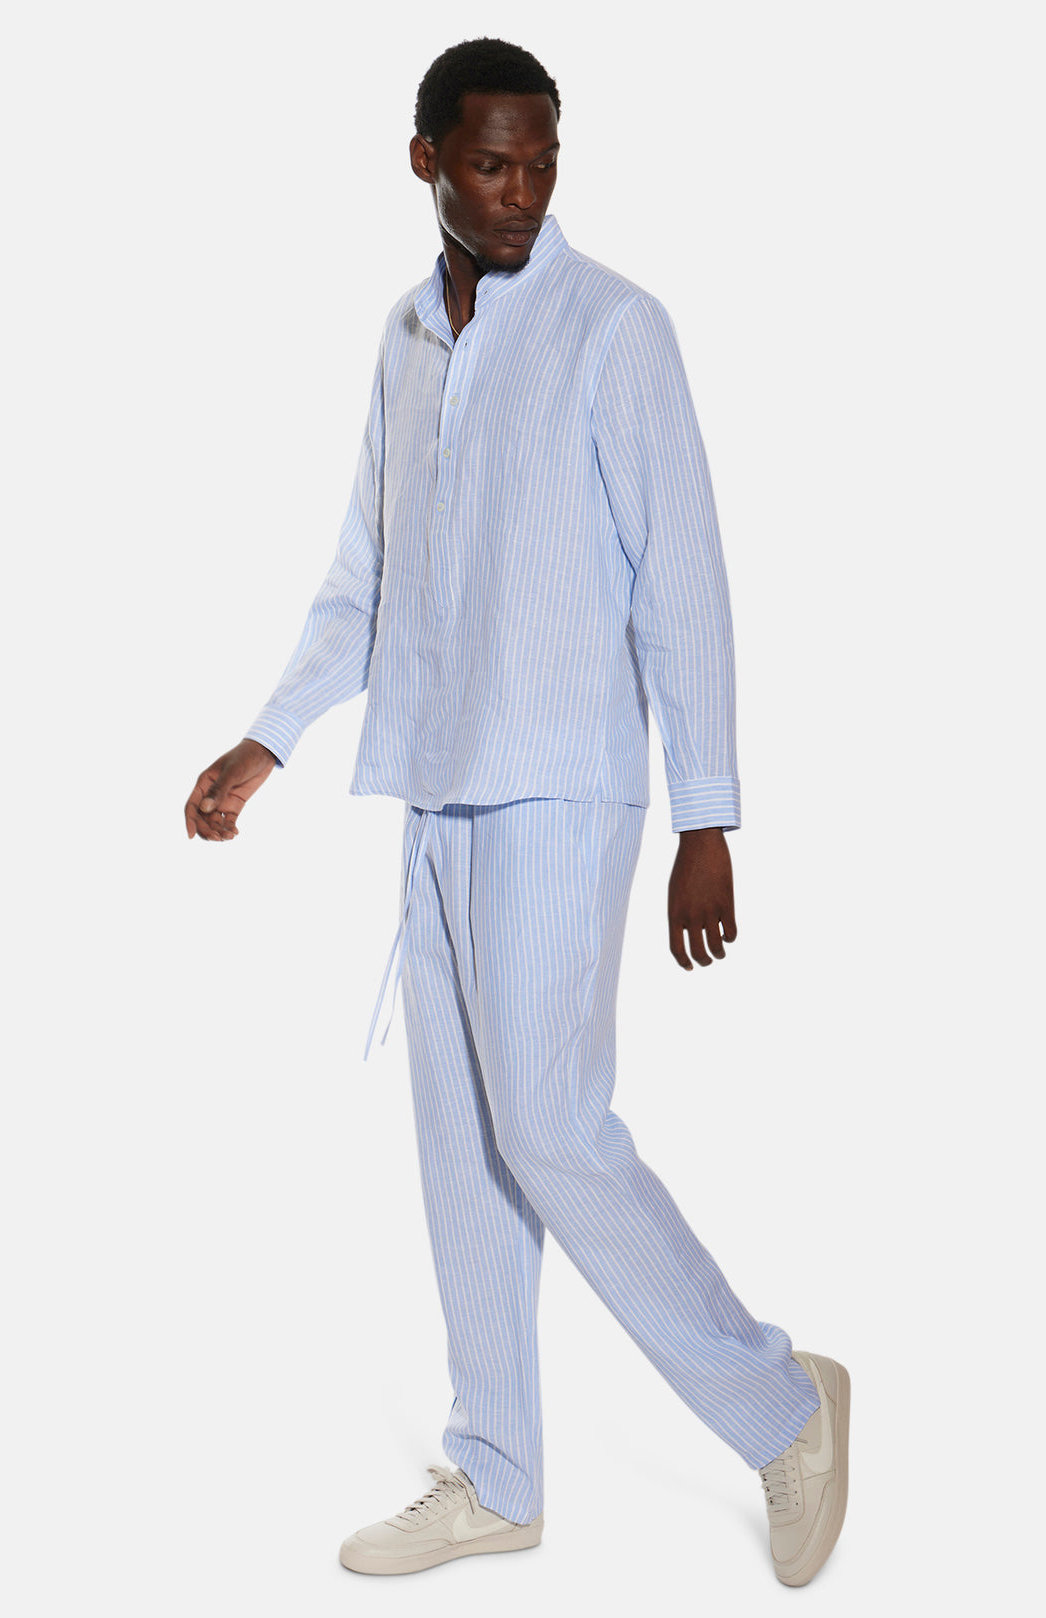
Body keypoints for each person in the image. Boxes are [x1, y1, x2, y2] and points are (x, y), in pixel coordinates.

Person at [183, 37, 850, 1588]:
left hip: (565, 784)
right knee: (464, 1138)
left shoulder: (617, 329)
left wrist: (706, 816)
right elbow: (368, 570)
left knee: (551, 1124)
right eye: (491, 164)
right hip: (435, 788)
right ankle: (498, 1469)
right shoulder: (409, 335)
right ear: (425, 159)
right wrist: (270, 735)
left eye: (543, 163)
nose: (521, 193)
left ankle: (782, 1404)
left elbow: (685, 578)